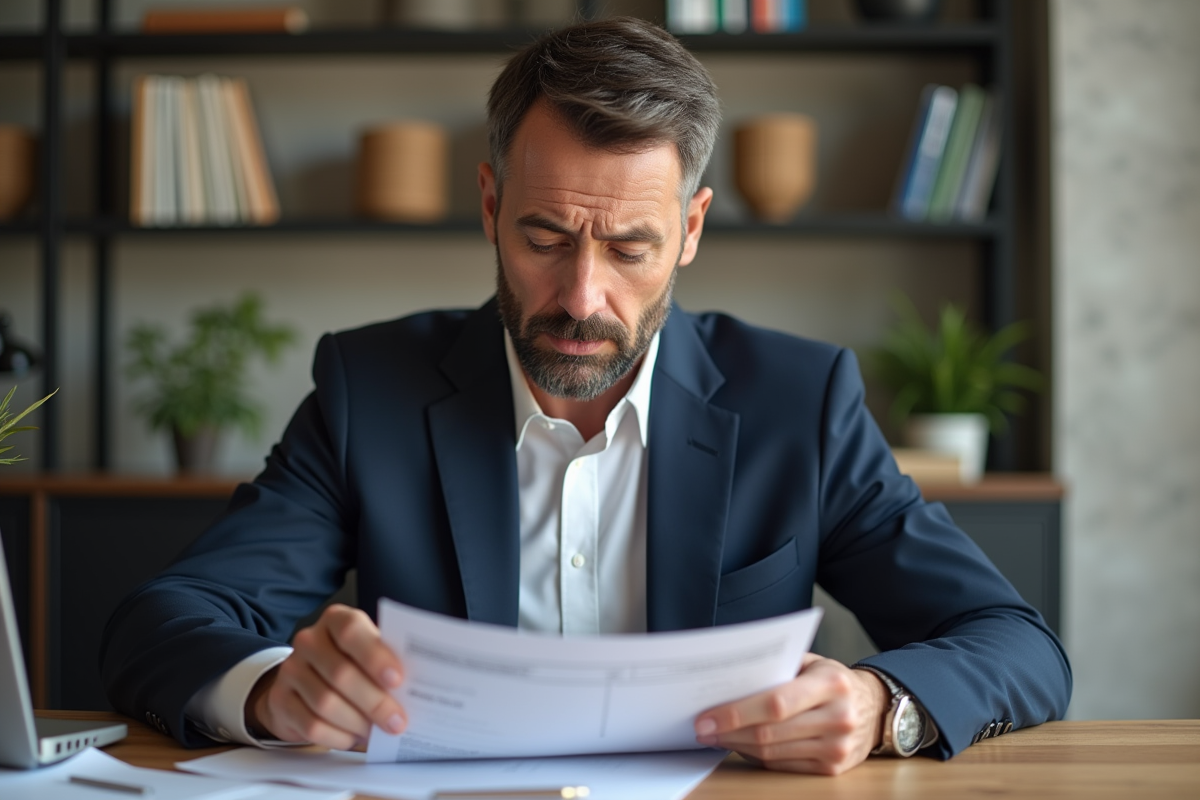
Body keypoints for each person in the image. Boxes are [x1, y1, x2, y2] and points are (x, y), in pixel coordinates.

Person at [101, 16, 1071, 776]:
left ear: (691, 229)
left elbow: (1015, 643)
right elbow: (165, 618)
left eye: (630, 247)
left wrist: (881, 702)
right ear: (488, 206)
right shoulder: (373, 389)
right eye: (545, 236)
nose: (580, 296)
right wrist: (271, 691)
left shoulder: (798, 401)